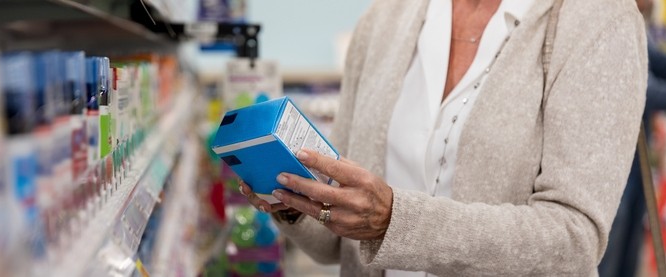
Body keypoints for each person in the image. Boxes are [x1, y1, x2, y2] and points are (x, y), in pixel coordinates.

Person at [240, 0, 648, 275]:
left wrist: (394, 221)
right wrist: (291, 199)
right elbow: (337, 244)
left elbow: (575, 236)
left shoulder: (597, 19)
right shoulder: (386, 19)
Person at [599, 0, 666, 275]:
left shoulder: (632, 23)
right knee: (610, 251)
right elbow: (642, 87)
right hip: (609, 163)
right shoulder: (604, 21)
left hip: (634, 162)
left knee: (629, 248)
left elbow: (657, 63)